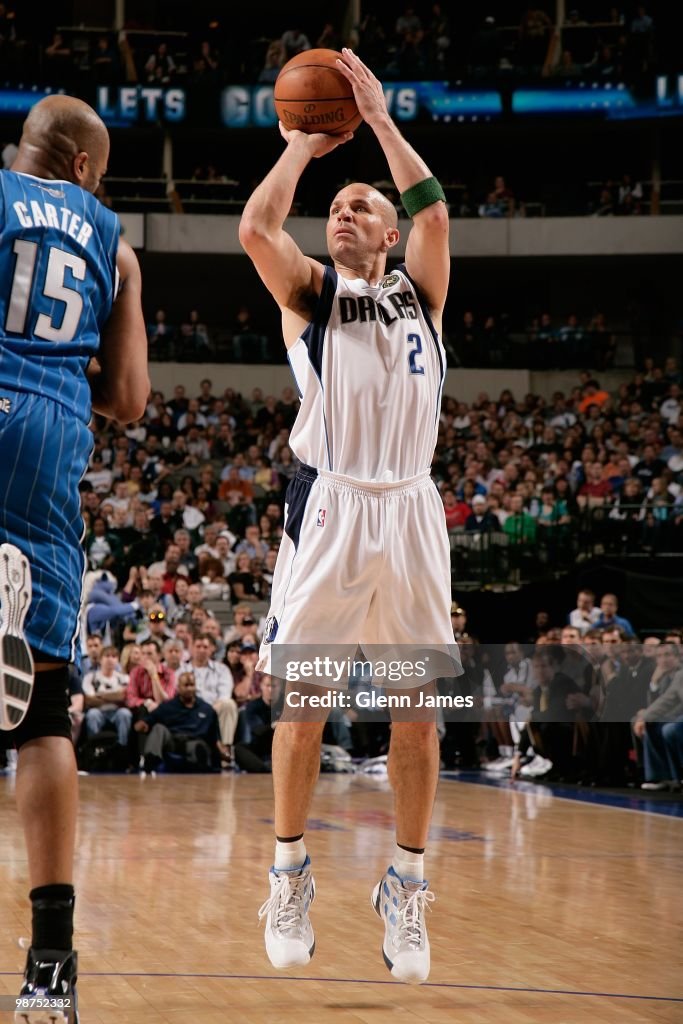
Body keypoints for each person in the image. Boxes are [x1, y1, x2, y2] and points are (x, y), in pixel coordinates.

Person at [240, 48, 457, 984]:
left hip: (409, 509)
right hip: (330, 504)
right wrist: (299, 147)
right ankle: (288, 870)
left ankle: (404, 888)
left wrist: (374, 121)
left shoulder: (424, 292)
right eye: (337, 206)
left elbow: (435, 207)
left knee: (417, 715)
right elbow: (256, 226)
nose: (343, 211)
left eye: (360, 206)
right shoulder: (311, 298)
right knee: (307, 702)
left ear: (389, 234)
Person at [0, 94, 148, 1018]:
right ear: (88, 169)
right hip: (51, 435)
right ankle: (50, 968)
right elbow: (128, 398)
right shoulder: (115, 243)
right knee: (44, 714)